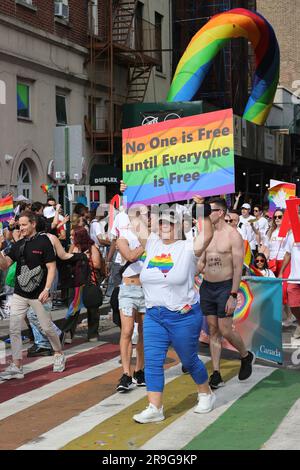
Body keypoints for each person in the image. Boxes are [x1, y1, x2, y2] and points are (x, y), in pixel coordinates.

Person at [131, 204, 216, 424]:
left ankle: (206, 392)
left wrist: (202, 207)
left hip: (183, 316)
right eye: (160, 222)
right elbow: (134, 219)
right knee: (152, 362)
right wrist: (130, 194)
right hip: (154, 316)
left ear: (181, 225)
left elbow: (207, 233)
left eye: (170, 222)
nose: (164, 226)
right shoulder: (152, 244)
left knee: (188, 359)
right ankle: (155, 407)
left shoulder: (188, 247)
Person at [0, 211, 66, 379]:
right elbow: (5, 265)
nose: (20, 228)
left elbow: (51, 267)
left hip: (38, 294)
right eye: (19, 225)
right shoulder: (19, 244)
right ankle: (16, 365)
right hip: (20, 293)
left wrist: (47, 289)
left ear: (33, 224)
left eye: (23, 225)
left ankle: (58, 353)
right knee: (14, 328)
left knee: (46, 327)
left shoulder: (44, 242)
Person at [200, 198, 255, 390]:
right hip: (207, 286)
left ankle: (245, 355)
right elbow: (201, 261)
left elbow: (238, 267)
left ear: (221, 212)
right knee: (213, 330)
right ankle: (216, 373)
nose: (207, 213)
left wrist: (233, 294)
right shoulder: (207, 235)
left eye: (211, 210)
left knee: (225, 330)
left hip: (225, 287)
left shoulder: (234, 236)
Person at [115, 218, 146, 392]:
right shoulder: (123, 237)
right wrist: (148, 245)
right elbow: (131, 256)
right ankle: (126, 374)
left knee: (144, 332)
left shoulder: (153, 236)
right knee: (127, 331)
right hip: (128, 290)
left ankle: (139, 370)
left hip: (147, 290)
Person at [63, 227, 103, 342]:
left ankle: (92, 333)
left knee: (93, 308)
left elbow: (97, 265)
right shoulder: (73, 247)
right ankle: (68, 334)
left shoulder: (92, 248)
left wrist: (84, 258)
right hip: (75, 282)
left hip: (89, 282)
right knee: (73, 308)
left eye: (73, 235)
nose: (70, 237)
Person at [278, 206, 300, 343]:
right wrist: (281, 272)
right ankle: (299, 322)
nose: (297, 216)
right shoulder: (291, 235)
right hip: (294, 277)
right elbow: (287, 254)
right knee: (293, 305)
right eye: (296, 214)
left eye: (299, 214)